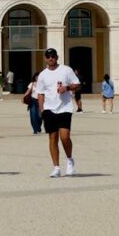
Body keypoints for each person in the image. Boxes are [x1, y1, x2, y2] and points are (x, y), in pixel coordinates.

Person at [36, 47, 80, 178]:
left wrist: (66, 88)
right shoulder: (43, 75)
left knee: (64, 137)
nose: (51, 58)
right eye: (48, 56)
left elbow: (77, 84)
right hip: (49, 109)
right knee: (52, 137)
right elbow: (40, 93)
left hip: (65, 108)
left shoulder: (66, 70)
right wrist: (42, 109)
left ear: (57, 57)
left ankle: (70, 159)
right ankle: (56, 167)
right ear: (45, 58)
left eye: (53, 56)